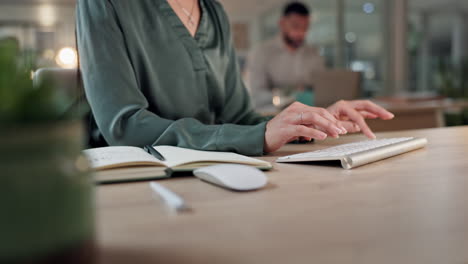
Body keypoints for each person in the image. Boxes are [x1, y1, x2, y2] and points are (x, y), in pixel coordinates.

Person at [76, 0, 394, 157]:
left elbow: (238, 117)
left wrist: (307, 123)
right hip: (138, 182)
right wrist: (254, 137)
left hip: (215, 172)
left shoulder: (214, 12)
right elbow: (124, 125)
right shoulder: (106, 4)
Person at [247, 2, 325, 110]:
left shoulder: (314, 54)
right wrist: (289, 95)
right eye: (295, 26)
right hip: (273, 113)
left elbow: (322, 89)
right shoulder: (261, 53)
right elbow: (256, 95)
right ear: (282, 23)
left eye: (305, 27)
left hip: (308, 111)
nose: (300, 32)